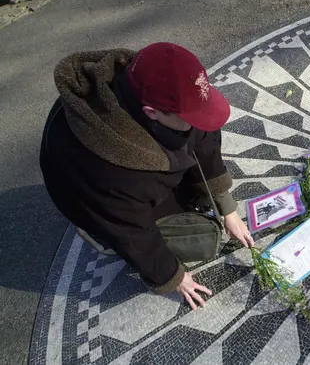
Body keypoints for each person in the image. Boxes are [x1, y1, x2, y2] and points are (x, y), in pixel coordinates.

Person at [39, 42, 255, 310]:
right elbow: (131, 232)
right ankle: (97, 238)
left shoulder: (161, 86)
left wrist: (226, 207)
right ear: (151, 113)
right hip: (96, 200)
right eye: (190, 117)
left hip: (137, 173)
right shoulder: (109, 171)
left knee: (187, 166)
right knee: (189, 233)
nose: (200, 122)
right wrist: (172, 276)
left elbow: (204, 137)